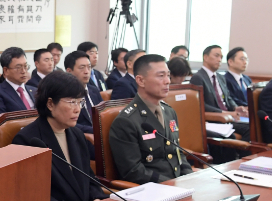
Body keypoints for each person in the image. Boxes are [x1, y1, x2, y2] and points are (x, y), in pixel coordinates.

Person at [12, 71, 107, 201]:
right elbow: (33, 194)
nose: (77, 109)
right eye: (72, 102)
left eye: (80, 102)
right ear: (50, 103)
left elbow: (89, 177)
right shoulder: (28, 140)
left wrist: (96, 198)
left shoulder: (77, 135)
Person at [109, 55, 192, 184]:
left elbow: (177, 153)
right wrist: (172, 184)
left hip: (177, 185)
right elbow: (133, 171)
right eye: (161, 76)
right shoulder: (127, 121)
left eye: (168, 75)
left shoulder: (169, 112)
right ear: (141, 81)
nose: (167, 81)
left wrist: (190, 178)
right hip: (154, 189)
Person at [189, 45, 250, 140]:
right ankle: (244, 155)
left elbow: (228, 97)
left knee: (254, 125)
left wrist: (236, 107)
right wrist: (224, 113)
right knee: (248, 129)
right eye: (216, 56)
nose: (219, 59)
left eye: (221, 57)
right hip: (216, 119)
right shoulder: (198, 77)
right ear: (205, 57)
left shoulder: (220, 77)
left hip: (228, 116)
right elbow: (200, 104)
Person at [0, 47, 38, 148]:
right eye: (18, 67)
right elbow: (1, 125)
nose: (24, 71)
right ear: (6, 70)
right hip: (13, 140)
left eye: (26, 66)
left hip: (37, 138)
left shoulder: (35, 90)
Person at [65, 51, 102, 134]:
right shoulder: (65, 94)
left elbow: (103, 113)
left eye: (89, 67)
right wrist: (95, 130)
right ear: (69, 71)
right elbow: (66, 122)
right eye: (82, 67)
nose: (86, 71)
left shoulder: (94, 90)